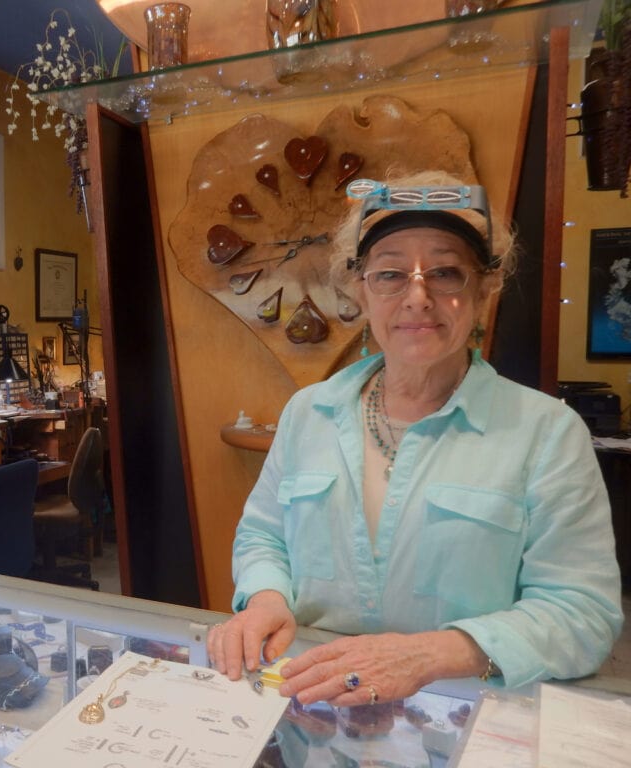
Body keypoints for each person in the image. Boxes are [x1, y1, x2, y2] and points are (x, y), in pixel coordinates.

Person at [208, 170, 624, 706]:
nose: (418, 297)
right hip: (311, 703)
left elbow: (582, 613)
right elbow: (264, 537)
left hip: (461, 713)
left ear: (485, 286)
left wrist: (430, 655)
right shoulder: (308, 413)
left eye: (447, 272)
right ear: (359, 288)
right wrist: (266, 599)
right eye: (390, 274)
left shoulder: (545, 432)